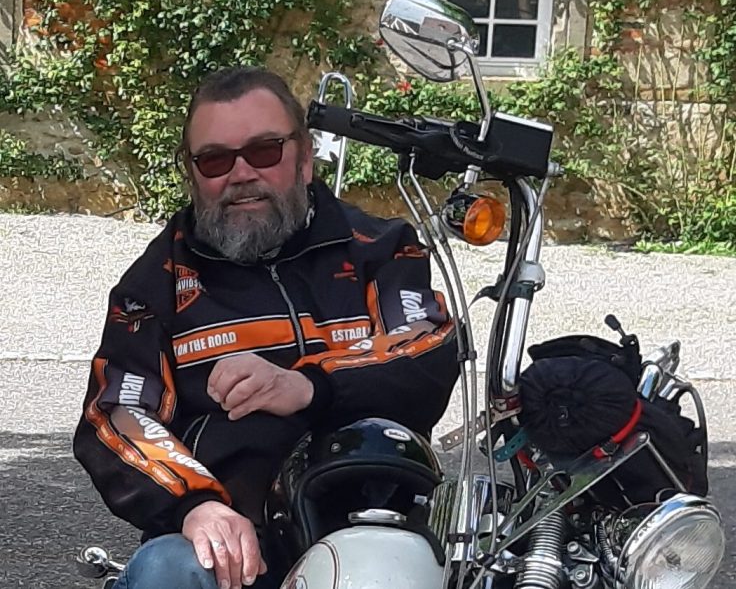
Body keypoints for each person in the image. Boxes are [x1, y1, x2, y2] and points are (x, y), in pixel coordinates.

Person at [73, 66, 459, 589]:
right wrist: (196, 503)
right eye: (215, 159)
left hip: (373, 529)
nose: (241, 174)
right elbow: (116, 415)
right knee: (168, 569)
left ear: (304, 158)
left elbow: (427, 348)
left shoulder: (381, 249)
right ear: (192, 173)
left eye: (264, 151)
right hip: (233, 545)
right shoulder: (156, 281)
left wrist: (308, 385)